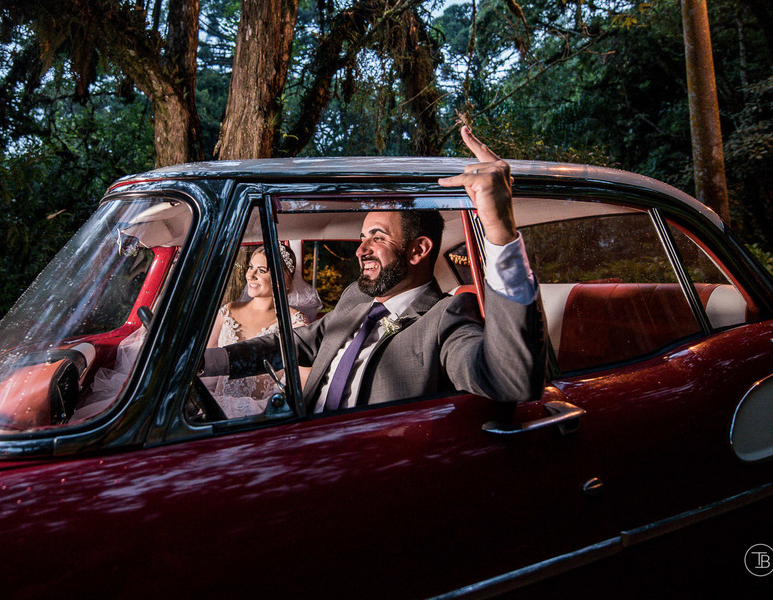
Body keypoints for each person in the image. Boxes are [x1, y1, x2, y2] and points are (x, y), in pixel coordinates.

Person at [200, 125, 547, 411]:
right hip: (301, 436)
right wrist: (205, 361)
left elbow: (510, 379)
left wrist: (499, 228)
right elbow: (293, 343)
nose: (361, 249)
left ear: (418, 250)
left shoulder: (446, 318)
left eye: (377, 237)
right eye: (363, 236)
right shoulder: (355, 299)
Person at [205, 245, 312, 417]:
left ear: (281, 279)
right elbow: (207, 367)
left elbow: (296, 385)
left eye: (261, 270)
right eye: (250, 267)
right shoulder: (229, 310)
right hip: (215, 411)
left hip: (260, 416)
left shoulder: (295, 323)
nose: (251, 275)